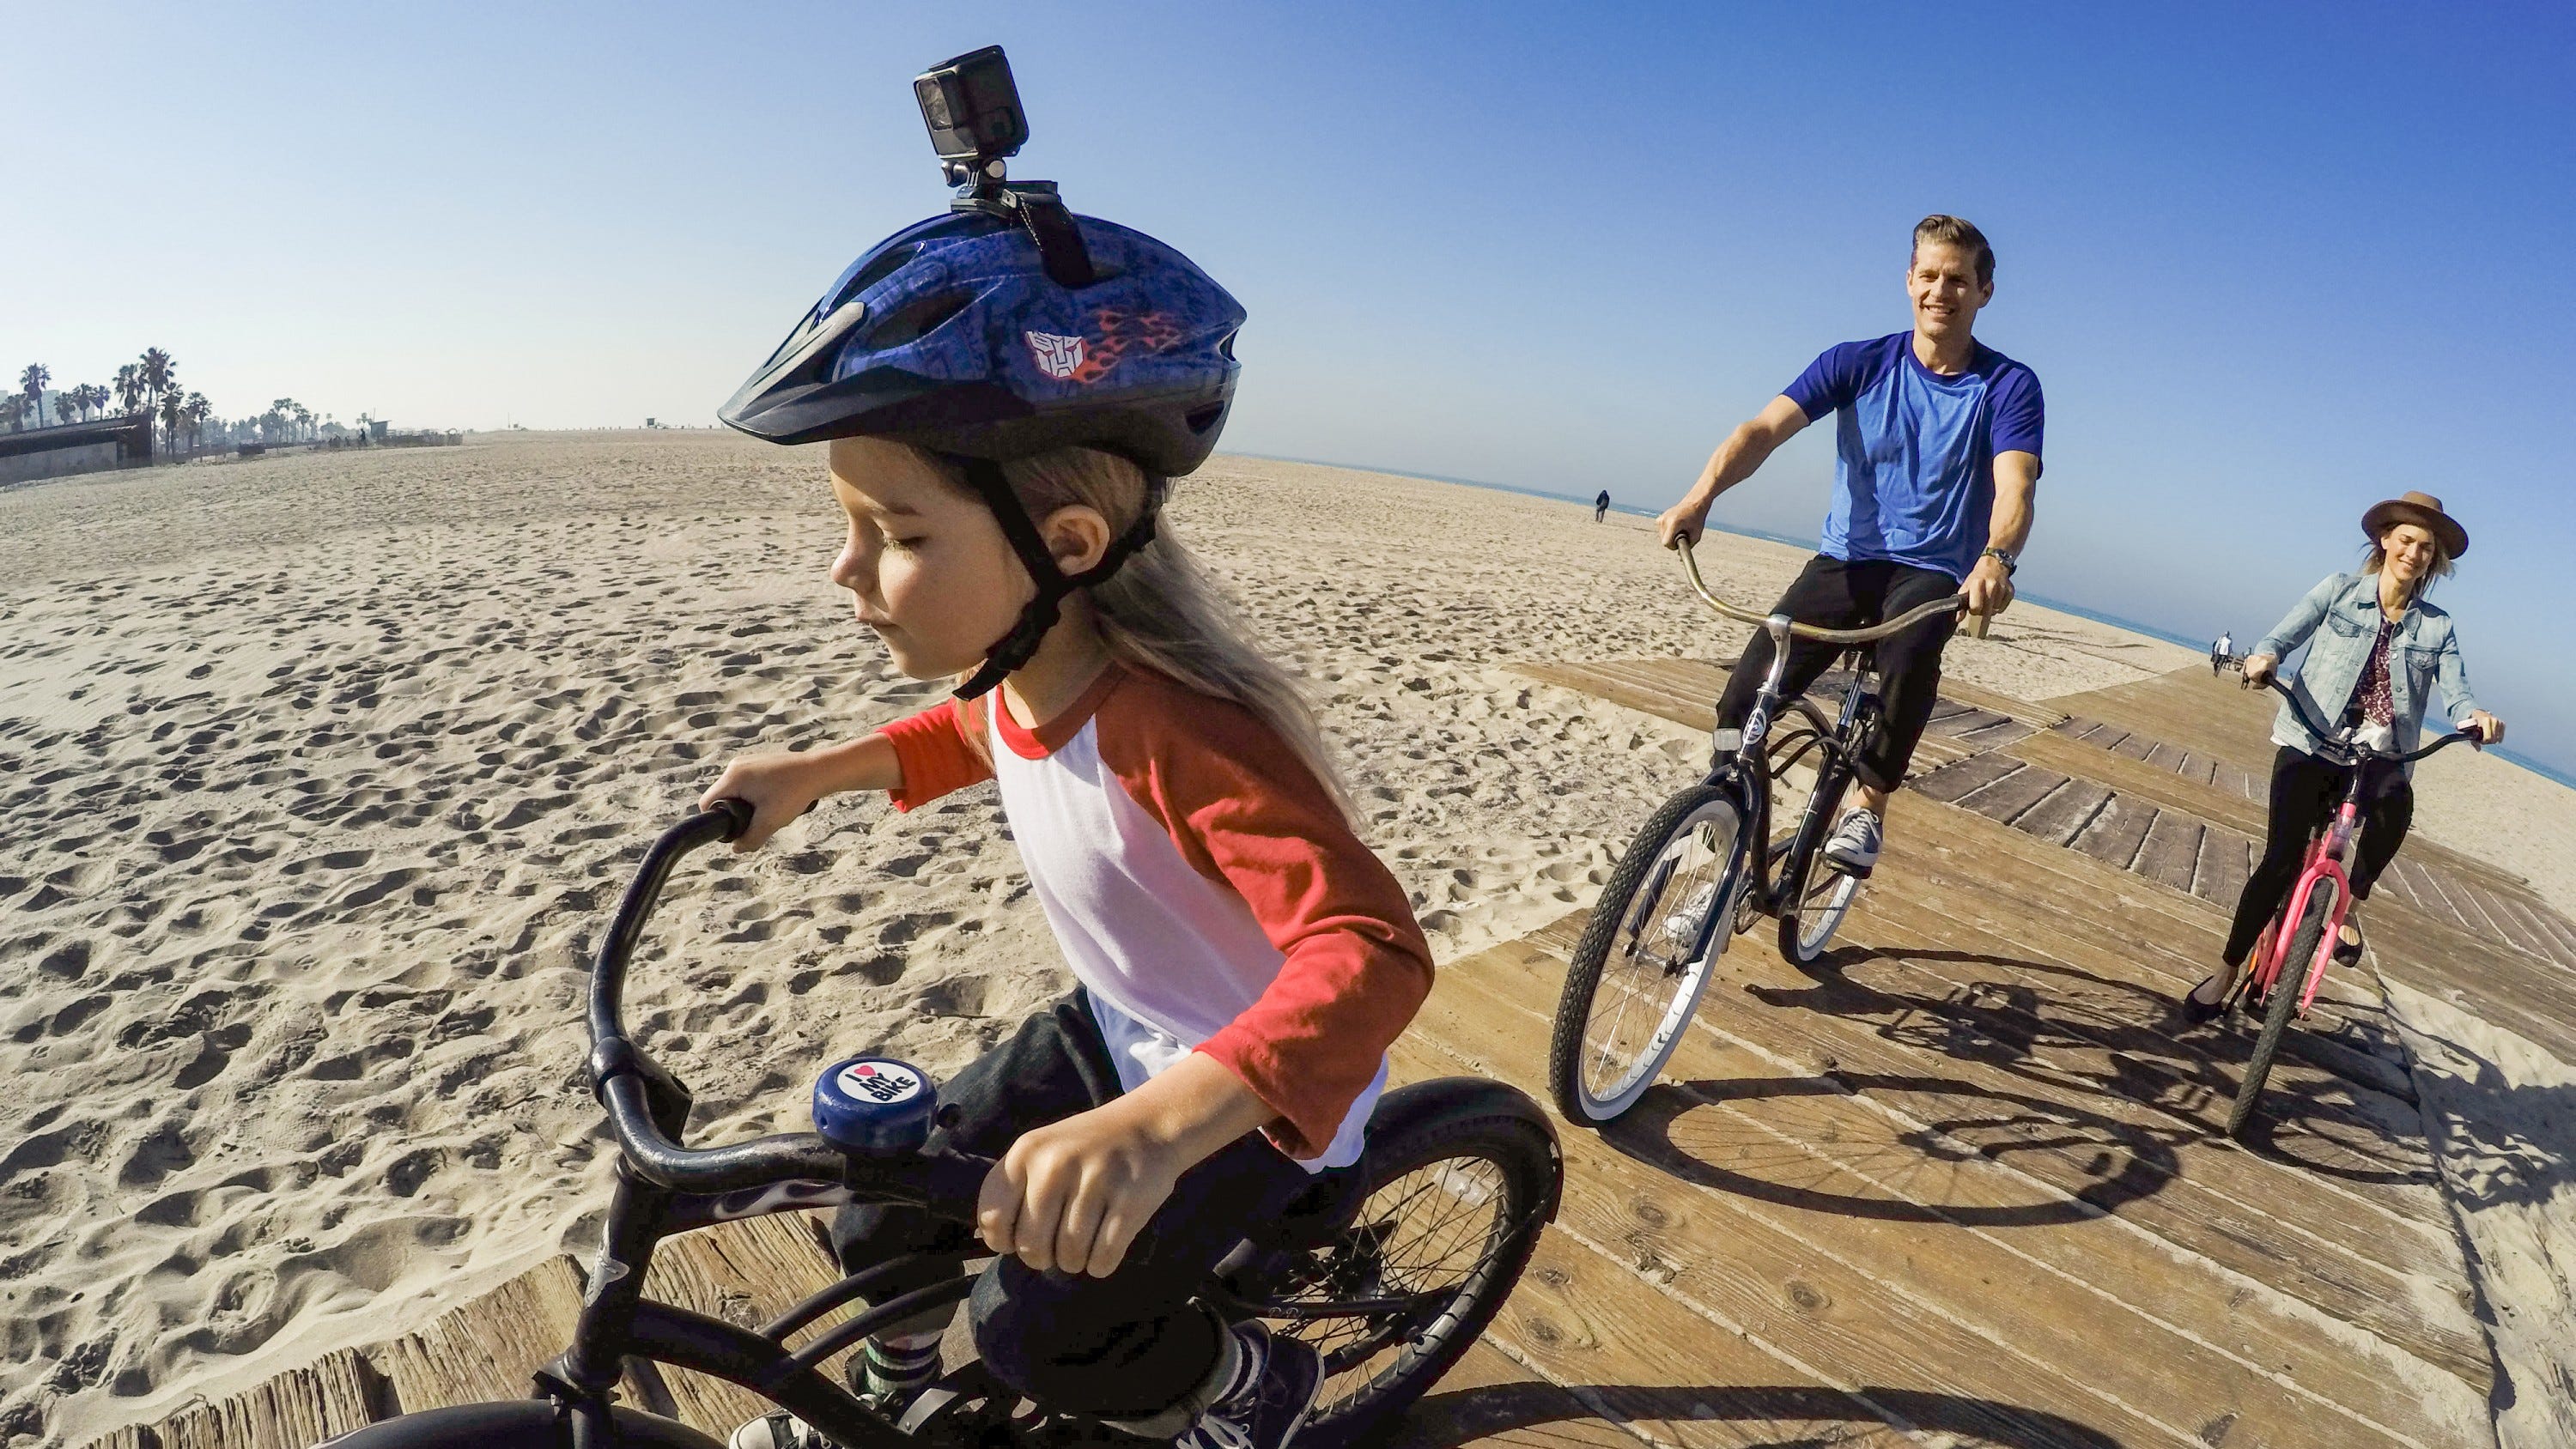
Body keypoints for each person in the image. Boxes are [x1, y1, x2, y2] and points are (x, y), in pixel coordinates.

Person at [702, 199, 1434, 1449]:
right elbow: (982, 736)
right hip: (1117, 1029)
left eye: (897, 534)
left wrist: (1157, 1129)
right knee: (881, 1211)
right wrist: (819, 771)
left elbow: (1371, 953)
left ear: (1068, 544)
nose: (846, 570)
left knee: (1044, 1332)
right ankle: (903, 1389)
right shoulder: (1029, 677)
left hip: (1236, 1095)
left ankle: (1243, 1386)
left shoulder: (1183, 730)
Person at [1657, 215, 2043, 876]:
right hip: (1846, 562)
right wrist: (1701, 497)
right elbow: (1762, 430)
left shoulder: (2008, 386)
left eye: (1957, 279)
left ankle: (1868, 801)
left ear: (1984, 292)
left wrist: (1995, 558)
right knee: (1742, 694)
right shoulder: (1857, 362)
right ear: (1908, 281)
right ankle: (1724, 797)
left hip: (1933, 570)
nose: (1940, 291)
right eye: (1928, 276)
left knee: (1912, 654)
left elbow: (2016, 484)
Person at [2182, 493, 2504, 1018]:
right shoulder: (2338, 590)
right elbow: (2282, 636)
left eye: (2426, 547)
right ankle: (2226, 972)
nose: (2414, 553)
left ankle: (2351, 902)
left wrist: (2476, 717)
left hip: (2381, 755)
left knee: (2397, 806)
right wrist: (2264, 658)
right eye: (2406, 540)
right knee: (2279, 860)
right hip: (2312, 739)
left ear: (2434, 560)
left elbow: (2458, 693)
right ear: (2385, 541)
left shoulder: (2438, 627)